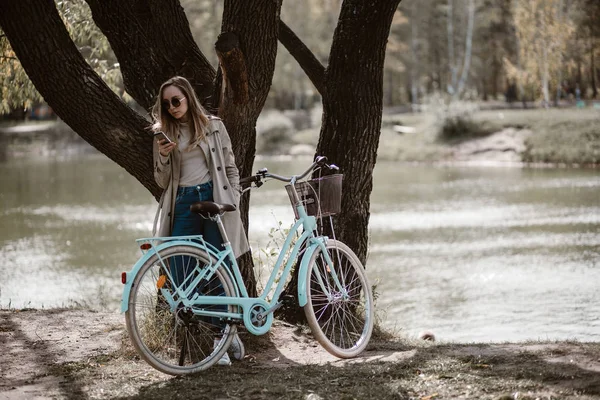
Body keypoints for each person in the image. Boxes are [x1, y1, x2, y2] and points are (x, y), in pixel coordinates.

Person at [151, 76, 250, 366]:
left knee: (219, 267)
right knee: (180, 271)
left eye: (176, 101)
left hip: (213, 199)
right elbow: (161, 181)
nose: (172, 108)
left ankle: (222, 336)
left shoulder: (213, 126)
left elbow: (231, 167)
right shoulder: (162, 133)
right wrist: (163, 156)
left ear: (188, 98)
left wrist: (234, 199)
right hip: (182, 203)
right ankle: (222, 330)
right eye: (166, 104)